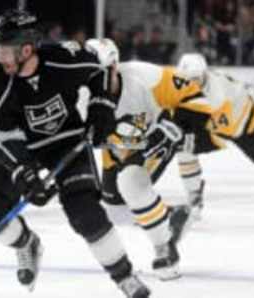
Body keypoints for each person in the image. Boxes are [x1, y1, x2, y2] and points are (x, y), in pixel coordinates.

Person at [0, 10, 150, 298]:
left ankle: (124, 277)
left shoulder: (64, 59)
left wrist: (102, 106)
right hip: (20, 147)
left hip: (66, 142)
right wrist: (23, 172)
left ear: (26, 49)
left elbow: (103, 68)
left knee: (86, 215)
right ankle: (26, 244)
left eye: (2, 49)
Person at [85, 39, 217, 281]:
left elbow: (196, 98)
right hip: (119, 149)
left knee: (131, 182)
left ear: (114, 67)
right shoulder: (79, 95)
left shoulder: (146, 77)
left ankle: (165, 249)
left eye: (99, 73)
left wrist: (175, 128)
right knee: (114, 210)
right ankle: (172, 216)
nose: (92, 81)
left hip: (156, 136)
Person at [174, 53, 254, 220]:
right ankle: (194, 198)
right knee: (184, 148)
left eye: (196, 79)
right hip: (217, 123)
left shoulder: (217, 93)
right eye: (188, 79)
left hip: (245, 125)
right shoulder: (180, 84)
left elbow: (219, 126)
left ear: (204, 75)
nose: (192, 84)